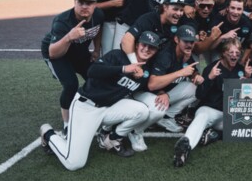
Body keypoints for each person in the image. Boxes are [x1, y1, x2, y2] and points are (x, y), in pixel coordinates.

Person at [39, 31, 161, 170]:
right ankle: (48, 133)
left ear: (156, 50)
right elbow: (92, 71)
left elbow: (148, 87)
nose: (146, 49)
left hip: (108, 109)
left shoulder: (146, 71)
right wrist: (124, 69)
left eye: (151, 47)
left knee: (142, 111)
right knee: (74, 163)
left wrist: (163, 93)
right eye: (144, 45)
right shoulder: (118, 56)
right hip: (86, 107)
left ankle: (110, 139)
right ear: (137, 45)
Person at [173, 38, 245, 167]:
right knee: (203, 115)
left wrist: (248, 81)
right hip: (212, 111)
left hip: (230, 116)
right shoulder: (212, 68)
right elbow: (200, 94)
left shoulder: (241, 70)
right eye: (231, 52)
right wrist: (210, 78)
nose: (234, 56)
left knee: (246, 125)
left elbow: (249, 100)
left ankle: (214, 135)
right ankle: (185, 146)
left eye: (237, 53)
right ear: (223, 53)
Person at [41, 0, 104, 133]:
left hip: (79, 51)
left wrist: (96, 50)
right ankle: (67, 124)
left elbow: (98, 30)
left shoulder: (98, 15)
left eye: (89, 3)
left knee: (95, 78)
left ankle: (86, 110)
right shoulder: (62, 21)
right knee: (70, 84)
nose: (84, 6)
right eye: (81, 2)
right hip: (58, 52)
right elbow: (53, 53)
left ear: (95, 5)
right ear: (74, 3)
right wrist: (69, 37)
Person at [132, 25, 202, 139]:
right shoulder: (166, 54)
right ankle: (138, 128)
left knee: (197, 89)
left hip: (162, 91)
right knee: (156, 109)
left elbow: (193, 70)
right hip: (143, 92)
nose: (189, 45)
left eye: (192, 42)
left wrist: (197, 76)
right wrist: (179, 74)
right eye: (185, 41)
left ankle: (167, 118)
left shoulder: (186, 53)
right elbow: (152, 84)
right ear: (176, 40)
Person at [120, 0, 187, 64]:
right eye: (175, 9)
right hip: (133, 60)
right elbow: (126, 40)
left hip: (153, 65)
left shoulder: (177, 26)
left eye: (181, 10)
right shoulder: (149, 19)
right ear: (165, 7)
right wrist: (135, 64)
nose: (179, 13)